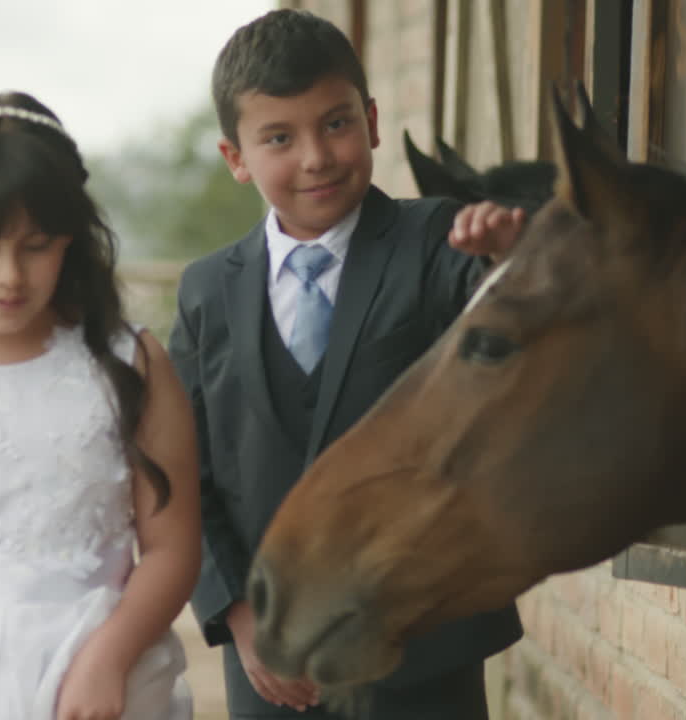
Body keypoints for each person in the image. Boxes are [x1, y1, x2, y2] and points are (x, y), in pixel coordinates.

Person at [168, 9, 527, 720]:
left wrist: (508, 261)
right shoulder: (207, 291)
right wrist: (239, 614)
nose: (316, 156)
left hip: (423, 644)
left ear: (370, 119)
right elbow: (186, 470)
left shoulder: (435, 241)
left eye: (335, 124)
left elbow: (503, 327)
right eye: (279, 137)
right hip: (274, 658)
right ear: (235, 157)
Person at [0, 91, 202, 720]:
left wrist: (109, 659)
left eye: (35, 246)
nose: (8, 275)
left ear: (70, 243)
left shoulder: (127, 364)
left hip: (96, 657)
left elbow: (172, 546)